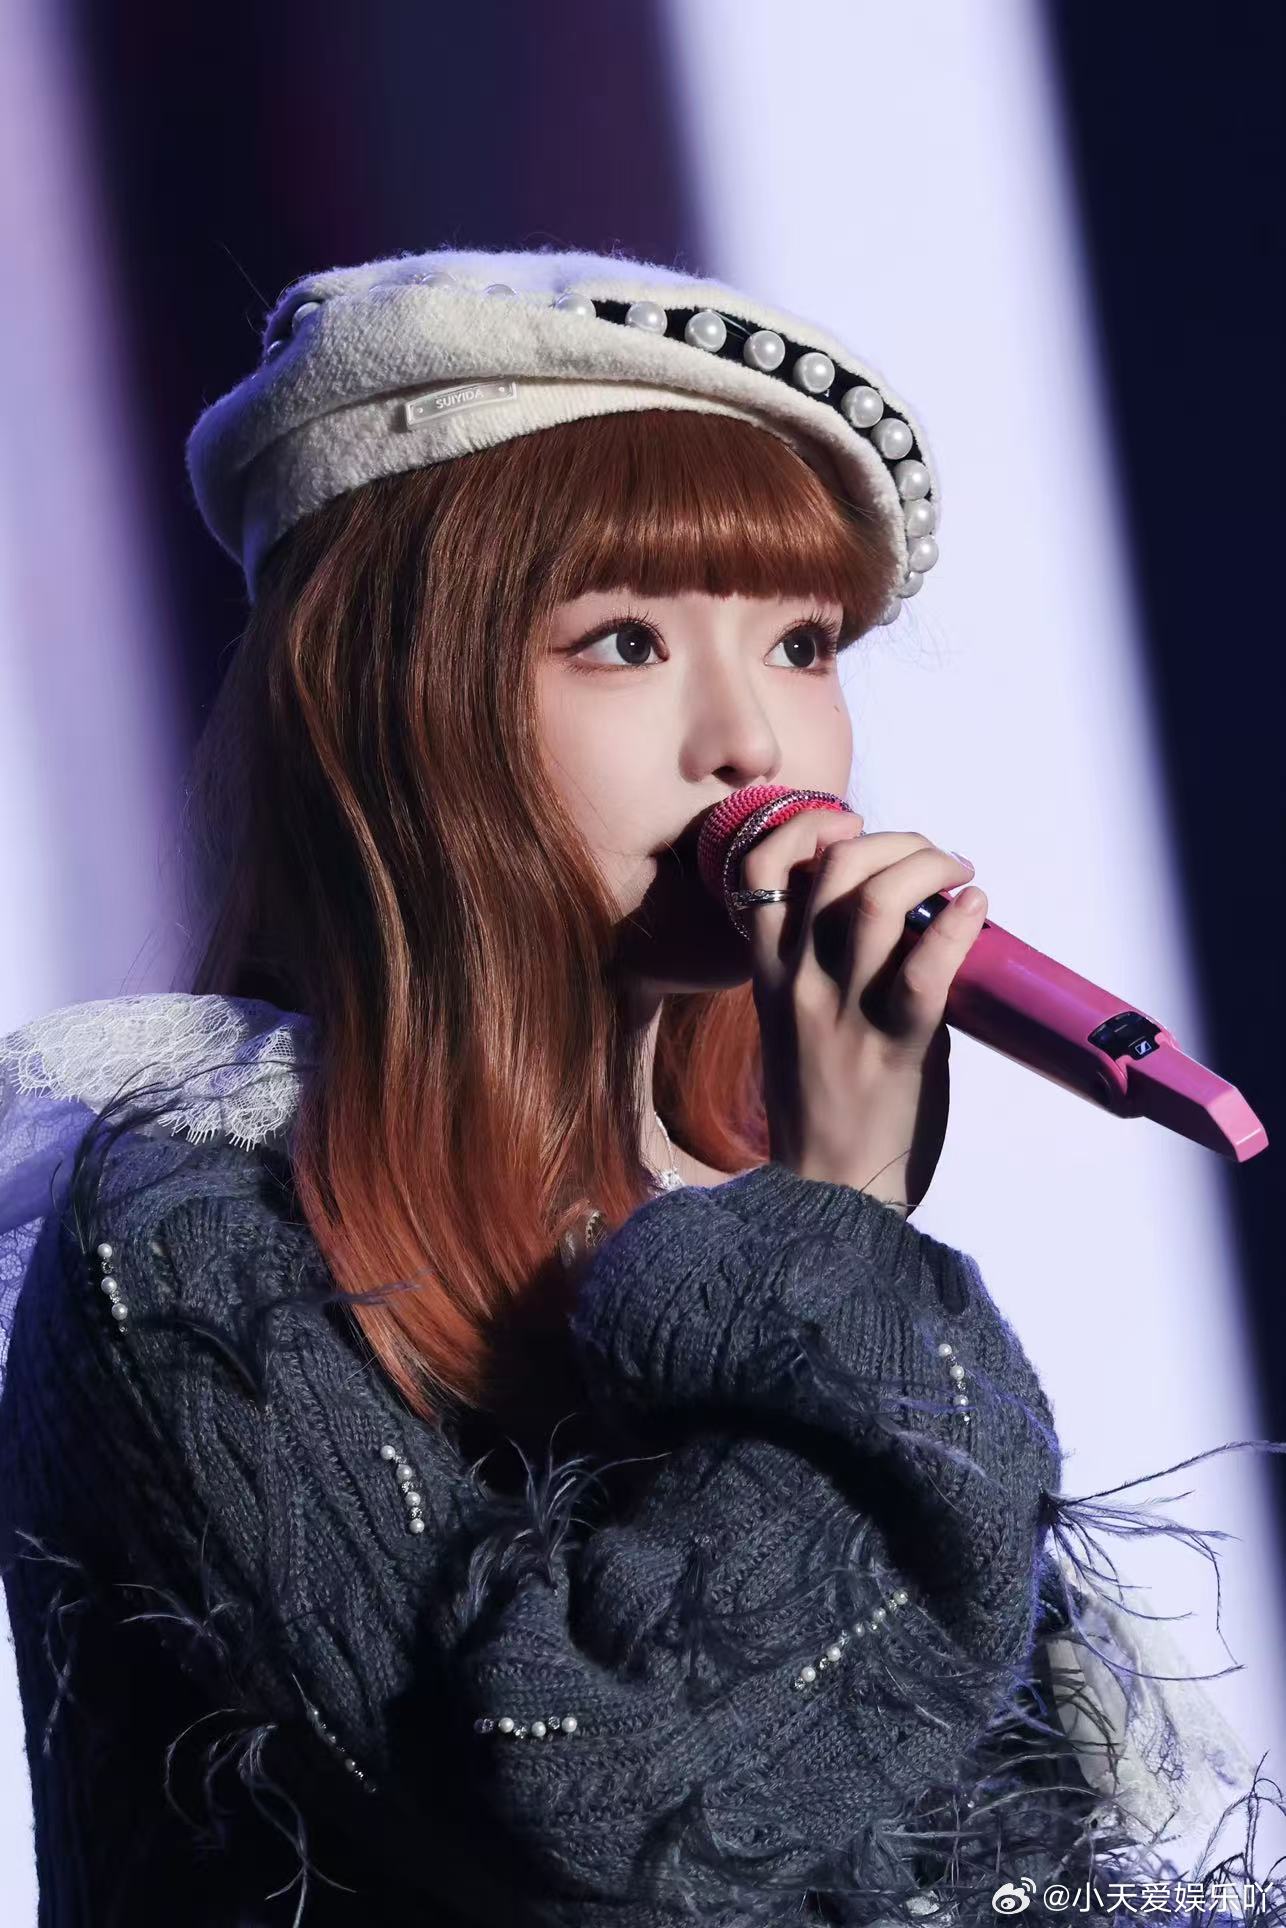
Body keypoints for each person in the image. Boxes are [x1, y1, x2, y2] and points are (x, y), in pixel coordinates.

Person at [0, 247, 1276, 1926]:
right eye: (623, 641)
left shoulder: (706, 1214)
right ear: (388, 707)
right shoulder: (197, 1230)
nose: (753, 744)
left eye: (802, 643)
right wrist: (834, 1219)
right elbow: (625, 1826)